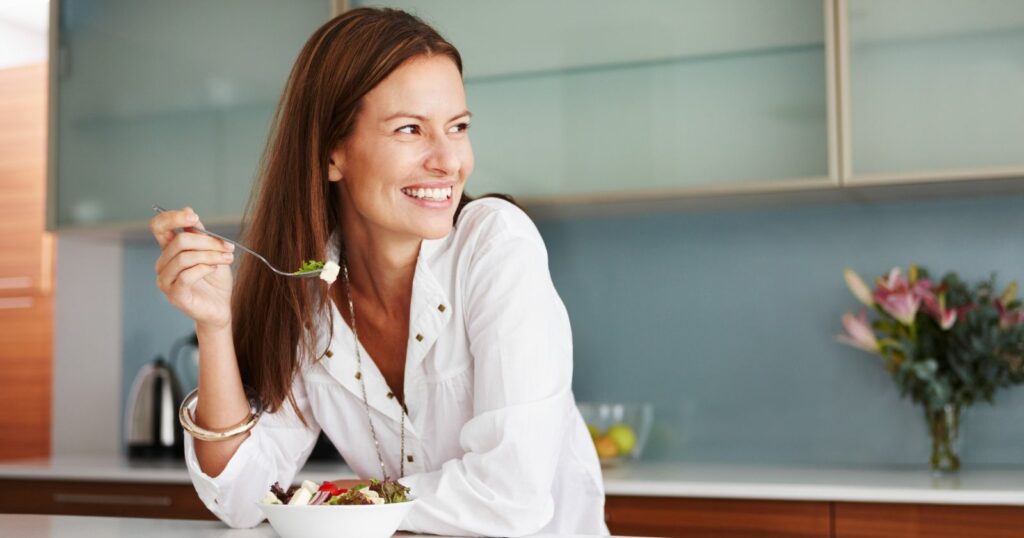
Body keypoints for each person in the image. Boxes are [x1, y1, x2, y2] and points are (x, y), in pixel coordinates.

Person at [149, 7, 607, 536]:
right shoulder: (308, 290)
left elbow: (510, 497)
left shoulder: (496, 244)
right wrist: (214, 325)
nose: (448, 160)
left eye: (457, 127)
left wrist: (326, 503)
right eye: (410, 129)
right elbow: (241, 496)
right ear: (330, 155)